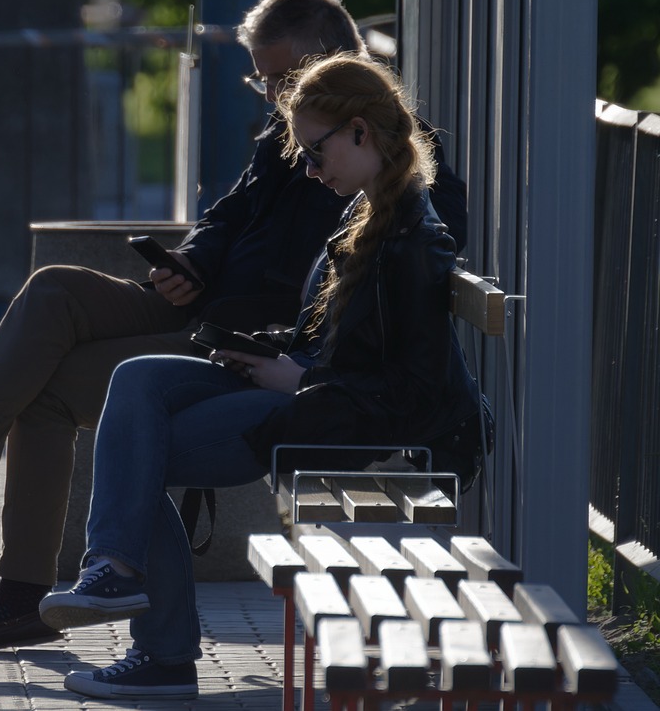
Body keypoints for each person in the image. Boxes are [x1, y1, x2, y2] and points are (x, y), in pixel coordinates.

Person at [0, 0, 468, 652]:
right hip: (201, 304)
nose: (276, 101)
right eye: (264, 83)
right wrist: (190, 261)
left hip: (246, 339)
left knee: (47, 393)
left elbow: (422, 247)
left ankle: (21, 596)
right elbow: (228, 215)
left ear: (336, 71)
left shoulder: (390, 157)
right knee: (55, 288)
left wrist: (293, 352)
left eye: (285, 79)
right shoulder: (294, 133)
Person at [36, 53, 484, 700]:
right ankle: (111, 569)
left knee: (140, 453)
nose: (308, 168)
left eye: (315, 150)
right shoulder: (368, 212)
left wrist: (295, 382)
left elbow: (410, 396)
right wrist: (270, 352)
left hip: (329, 415)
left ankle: (160, 649)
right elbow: (335, 341)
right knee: (137, 380)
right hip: (305, 386)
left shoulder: (413, 237)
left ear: (360, 130)